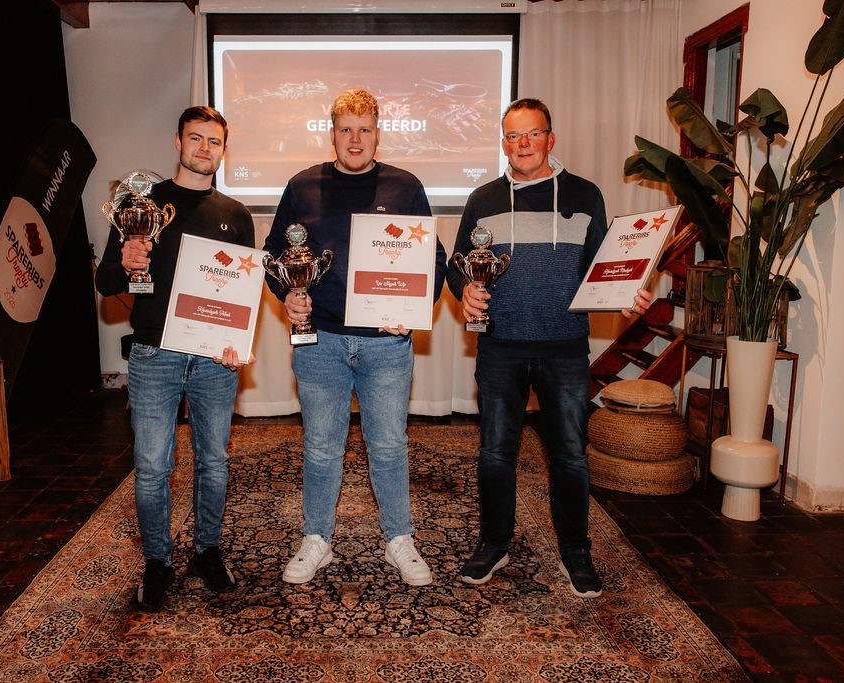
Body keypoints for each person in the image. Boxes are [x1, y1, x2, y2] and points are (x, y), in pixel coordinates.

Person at [446, 98, 651, 598]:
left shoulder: (584, 194)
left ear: (550, 139)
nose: (523, 144)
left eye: (533, 134)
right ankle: (494, 543)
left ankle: (575, 550)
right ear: (503, 144)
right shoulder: (482, 198)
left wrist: (627, 294)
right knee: (495, 453)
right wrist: (464, 289)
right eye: (513, 136)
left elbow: (602, 266)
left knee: (570, 456)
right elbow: (457, 263)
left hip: (565, 347)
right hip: (500, 346)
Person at [263, 89, 447, 587]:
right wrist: (287, 294)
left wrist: (413, 310)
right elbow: (274, 253)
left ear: (378, 132)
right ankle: (316, 539)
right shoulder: (302, 186)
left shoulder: (406, 186)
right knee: (321, 447)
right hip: (319, 340)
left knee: (388, 446)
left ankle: (399, 539)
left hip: (386, 344)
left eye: (364, 128)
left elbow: (432, 259)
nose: (355, 139)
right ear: (332, 133)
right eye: (346, 128)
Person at [95, 106, 256, 611]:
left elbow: (244, 293)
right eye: (195, 138)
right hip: (154, 354)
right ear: (177, 141)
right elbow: (105, 281)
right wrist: (125, 262)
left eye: (214, 141)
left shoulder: (236, 214)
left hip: (214, 361)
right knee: (151, 466)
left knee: (214, 461)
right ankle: (157, 561)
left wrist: (238, 341)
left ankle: (207, 551)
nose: (204, 148)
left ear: (224, 149)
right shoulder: (141, 205)